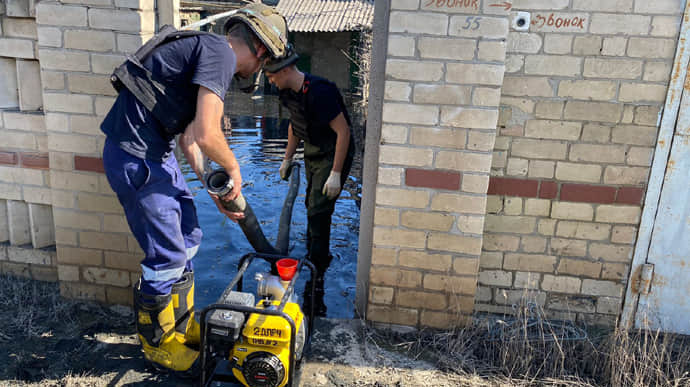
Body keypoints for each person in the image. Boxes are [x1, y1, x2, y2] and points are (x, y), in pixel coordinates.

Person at [100, 4, 290, 372]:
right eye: (263, 66)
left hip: (156, 154)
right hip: (137, 158)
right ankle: (158, 344)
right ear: (261, 50)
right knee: (166, 256)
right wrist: (233, 167)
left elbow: (189, 139)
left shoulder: (204, 53)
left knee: (188, 234)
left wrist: (214, 190)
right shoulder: (219, 53)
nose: (256, 73)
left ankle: (180, 327)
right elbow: (207, 133)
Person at [264, 45, 354, 317]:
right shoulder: (286, 92)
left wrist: (336, 173)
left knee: (320, 206)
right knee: (310, 203)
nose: (270, 79)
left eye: (272, 74)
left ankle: (318, 264)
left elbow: (344, 132)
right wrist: (287, 158)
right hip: (313, 149)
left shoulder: (320, 92)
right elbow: (294, 125)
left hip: (334, 149)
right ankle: (314, 248)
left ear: (287, 69)